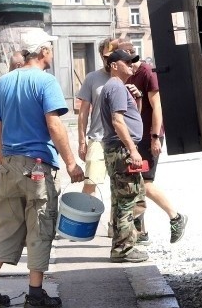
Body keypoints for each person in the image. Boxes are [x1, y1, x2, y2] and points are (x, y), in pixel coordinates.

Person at [0, 28, 84, 308]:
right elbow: (54, 125)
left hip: (9, 165)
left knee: (5, 225)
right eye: (50, 47)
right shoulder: (46, 82)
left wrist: (0, 153)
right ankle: (35, 294)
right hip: (36, 165)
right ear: (43, 51)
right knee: (40, 224)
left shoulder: (3, 82)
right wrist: (71, 163)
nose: (52, 52)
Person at [124, 44, 188, 245]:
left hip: (150, 135)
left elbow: (157, 106)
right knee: (136, 182)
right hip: (138, 137)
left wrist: (154, 137)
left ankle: (176, 216)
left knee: (145, 183)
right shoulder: (130, 75)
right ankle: (141, 232)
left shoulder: (147, 73)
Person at [100, 48, 149, 263]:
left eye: (133, 61)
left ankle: (125, 244)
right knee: (128, 199)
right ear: (114, 65)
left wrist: (136, 100)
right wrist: (133, 149)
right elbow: (118, 121)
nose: (131, 64)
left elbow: (130, 117)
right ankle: (123, 249)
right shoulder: (116, 87)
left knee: (126, 197)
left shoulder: (118, 87)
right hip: (121, 149)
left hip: (117, 149)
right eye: (127, 61)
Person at [76, 37, 116, 196]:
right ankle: (87, 220)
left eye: (112, 56)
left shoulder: (127, 76)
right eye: (106, 57)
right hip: (98, 139)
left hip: (121, 140)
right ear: (101, 56)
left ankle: (117, 221)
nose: (109, 60)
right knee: (90, 184)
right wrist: (81, 142)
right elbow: (83, 112)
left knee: (121, 188)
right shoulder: (92, 78)